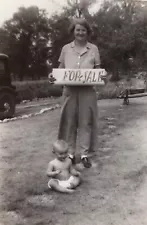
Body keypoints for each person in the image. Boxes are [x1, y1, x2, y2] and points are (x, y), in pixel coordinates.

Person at [49, 18, 106, 168]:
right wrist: (53, 76)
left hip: (88, 91)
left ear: (88, 32)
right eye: (78, 30)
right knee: (69, 121)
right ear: (73, 32)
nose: (80, 32)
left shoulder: (93, 49)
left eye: (83, 30)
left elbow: (98, 70)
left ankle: (85, 154)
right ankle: (70, 154)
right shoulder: (66, 48)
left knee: (86, 122)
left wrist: (102, 75)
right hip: (70, 90)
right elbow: (60, 68)